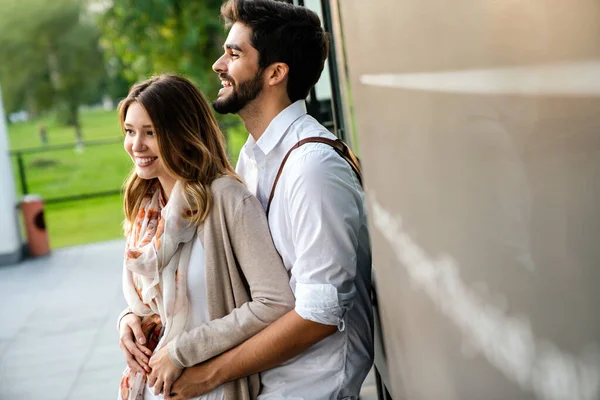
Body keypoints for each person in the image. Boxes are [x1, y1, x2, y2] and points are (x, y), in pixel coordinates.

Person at [123, 0, 374, 398]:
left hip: (311, 389)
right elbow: (225, 280)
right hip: (268, 384)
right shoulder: (253, 159)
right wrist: (135, 317)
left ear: (275, 73)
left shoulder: (313, 168)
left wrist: (207, 374)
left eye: (234, 53)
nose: (218, 65)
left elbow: (320, 315)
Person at [116, 73, 295, 400]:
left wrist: (181, 351)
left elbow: (275, 302)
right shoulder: (146, 208)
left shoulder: (226, 200)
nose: (136, 145)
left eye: (150, 133)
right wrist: (129, 320)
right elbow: (157, 303)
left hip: (212, 387)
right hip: (154, 389)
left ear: (182, 133)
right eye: (130, 131)